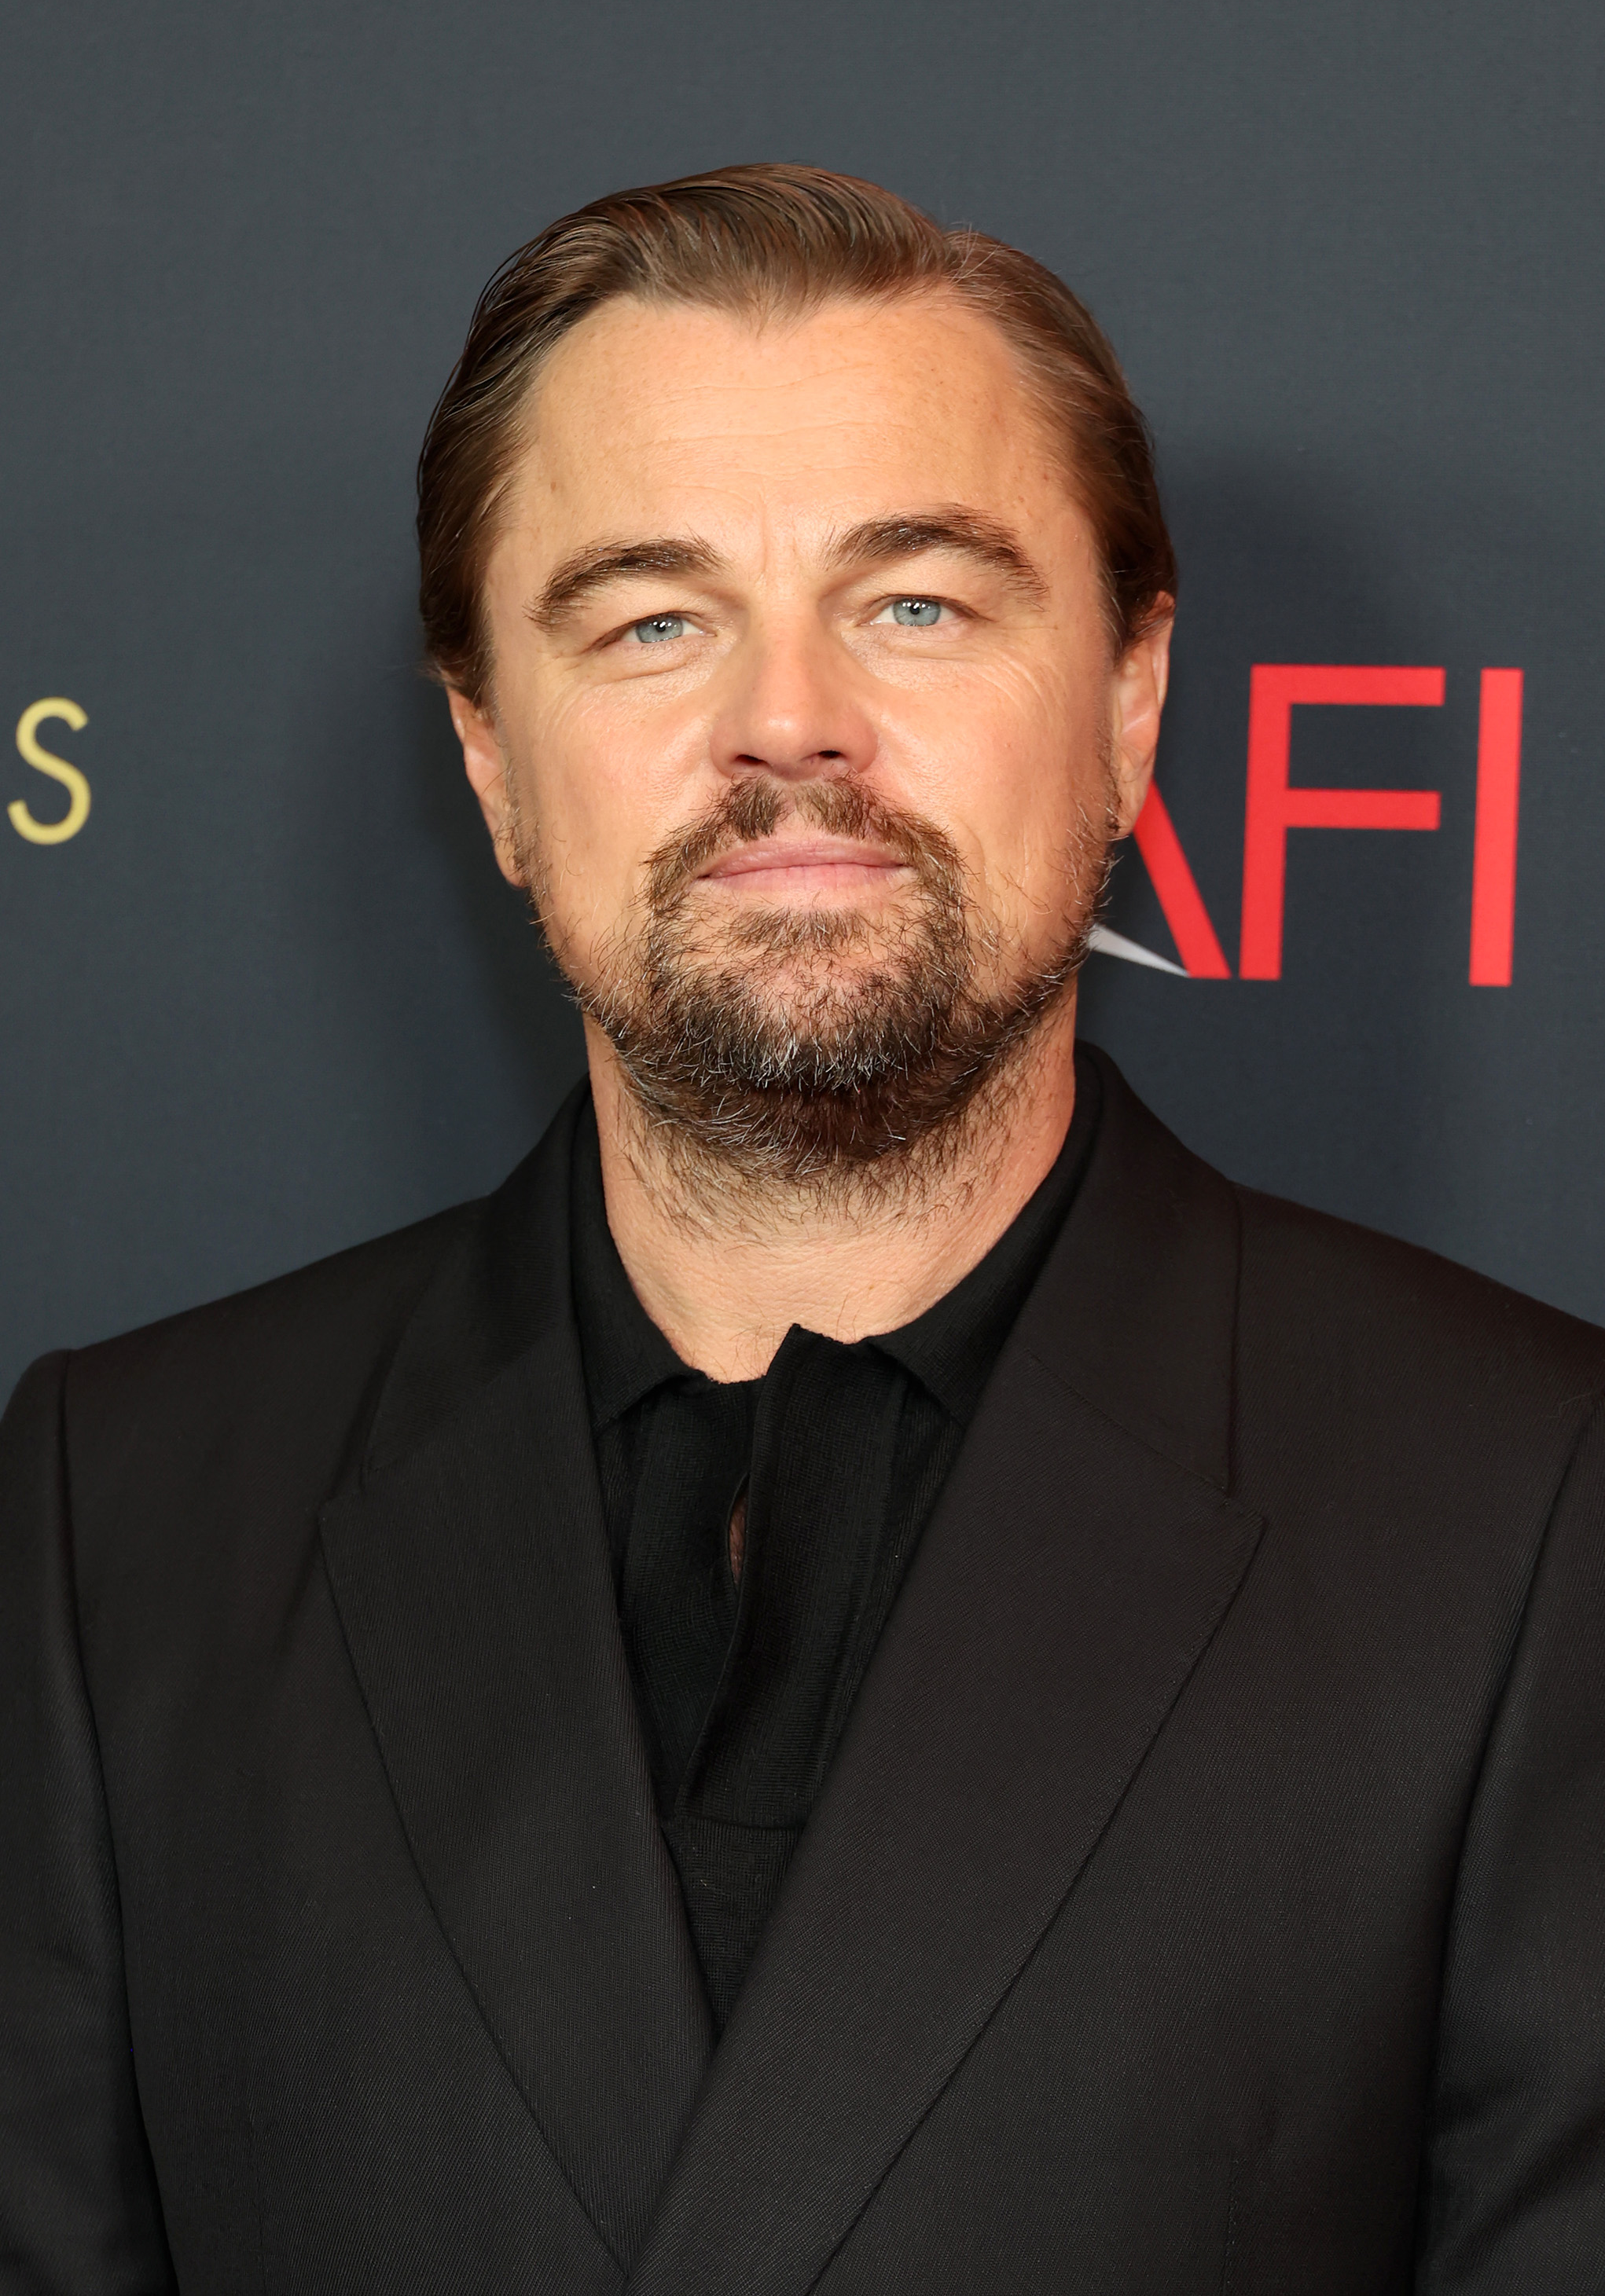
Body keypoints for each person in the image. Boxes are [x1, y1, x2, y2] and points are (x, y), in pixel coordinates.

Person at [3, 163, 1602, 2296]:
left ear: (1127, 707)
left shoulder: (1530, 1514)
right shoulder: (124, 1515)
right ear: (488, 755)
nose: (789, 723)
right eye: (651, 618)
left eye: (916, 602)